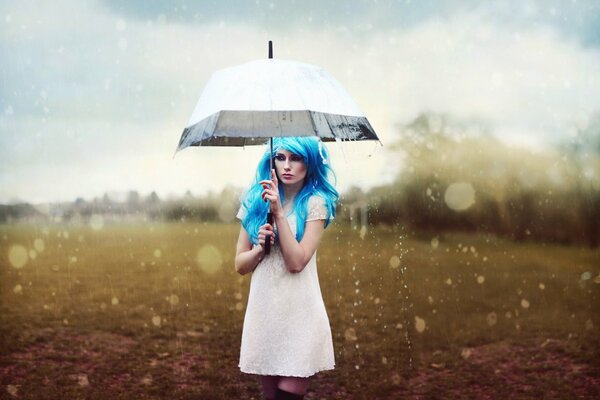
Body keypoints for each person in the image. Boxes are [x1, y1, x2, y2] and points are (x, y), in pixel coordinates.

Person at [234, 137, 339, 400]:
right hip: (266, 311)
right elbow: (239, 265)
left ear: (310, 162)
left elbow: (296, 262)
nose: (287, 166)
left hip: (300, 313)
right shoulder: (255, 201)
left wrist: (279, 213)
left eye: (296, 158)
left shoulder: (316, 202)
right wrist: (259, 248)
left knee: (288, 396)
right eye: (280, 158)